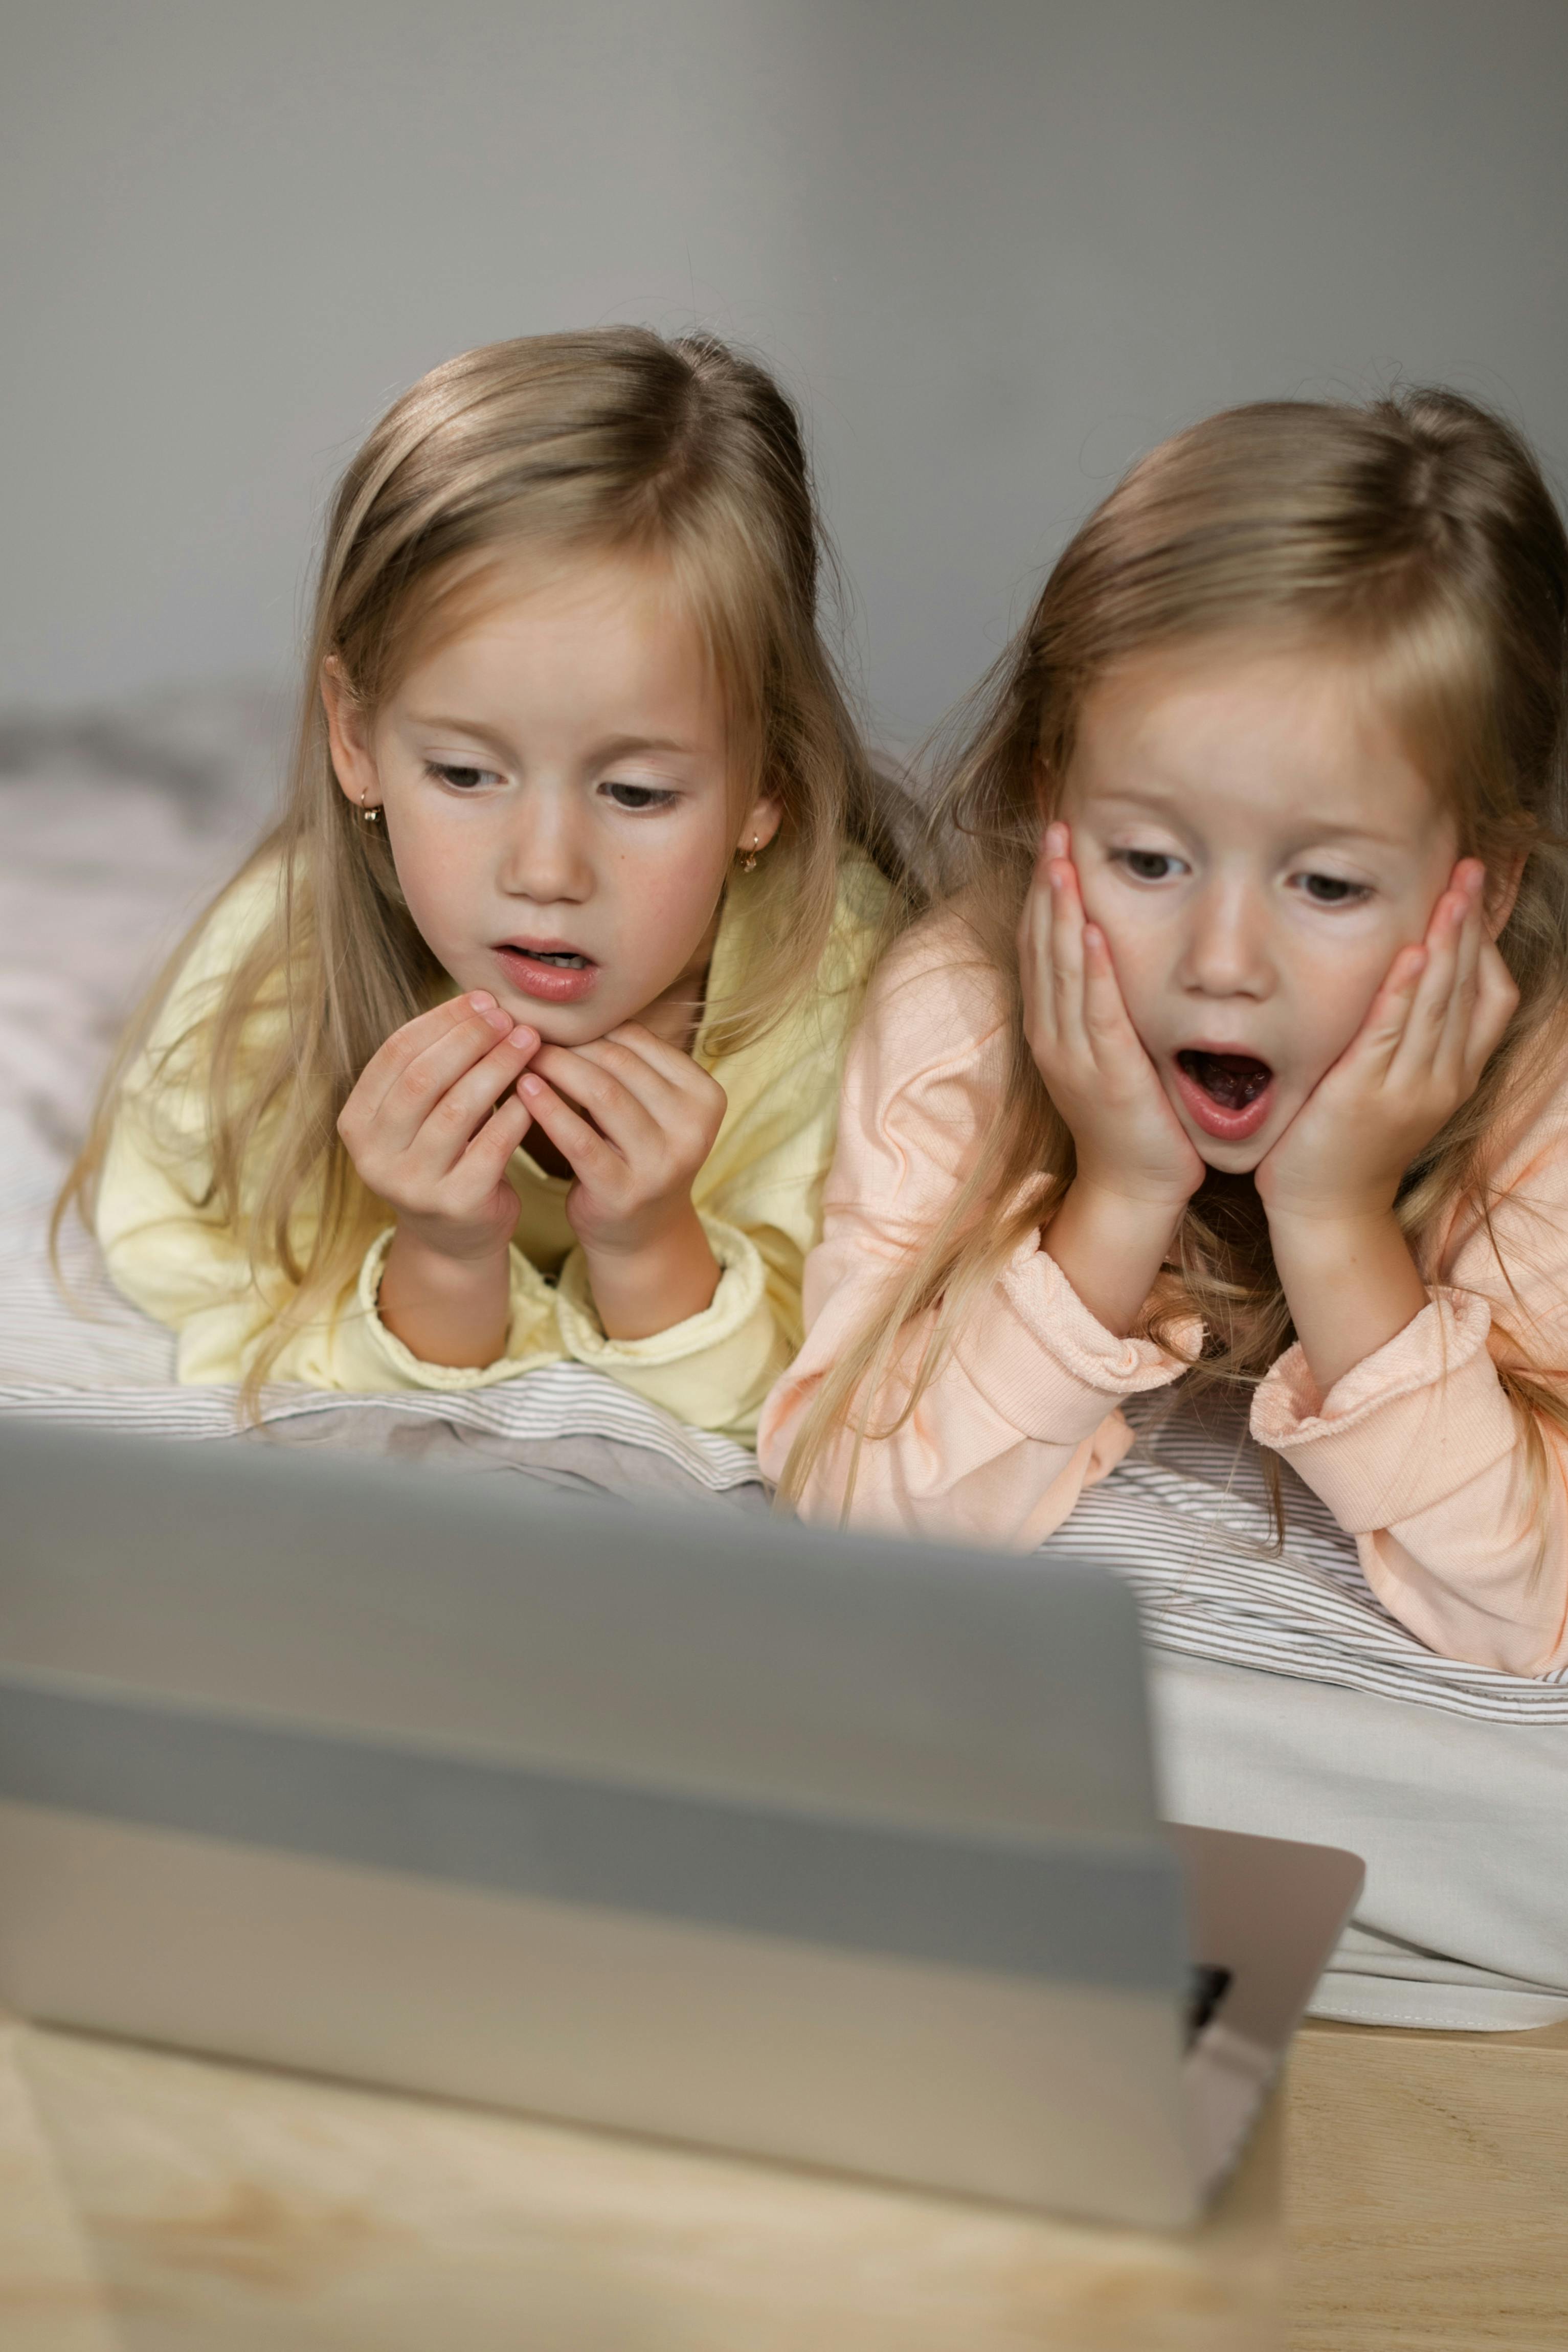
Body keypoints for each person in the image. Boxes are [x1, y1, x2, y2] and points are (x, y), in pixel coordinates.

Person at [760, 389, 1568, 1676]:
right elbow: (858, 1503)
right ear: (1049, 804)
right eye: (1148, 859)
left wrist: (1341, 1222)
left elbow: (1527, 1602)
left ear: (1494, 886)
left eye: (1329, 886)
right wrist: (1121, 1192)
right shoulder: (966, 1004)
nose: (1223, 963)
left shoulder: (1539, 1085)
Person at [63, 329, 892, 1440]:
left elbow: (823, 1410)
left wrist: (650, 1244)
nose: (545, 871)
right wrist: (444, 1258)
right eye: (463, 773)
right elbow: (258, 1370)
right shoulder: (272, 989)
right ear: (356, 739)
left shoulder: (851, 1006)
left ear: (768, 781)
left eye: (638, 791)